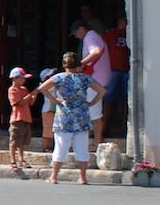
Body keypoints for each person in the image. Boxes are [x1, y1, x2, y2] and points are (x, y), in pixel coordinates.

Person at [36, 52, 107, 185]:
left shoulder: (58, 78)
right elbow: (102, 90)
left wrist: (56, 100)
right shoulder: (85, 78)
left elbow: (42, 88)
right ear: (78, 64)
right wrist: (91, 102)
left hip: (64, 117)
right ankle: (83, 177)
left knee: (61, 147)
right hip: (82, 117)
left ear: (64, 65)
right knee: (81, 148)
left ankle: (54, 176)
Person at [71, 20, 110, 142]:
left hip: (94, 80)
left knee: (94, 113)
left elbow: (96, 52)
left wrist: (80, 64)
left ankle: (97, 143)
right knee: (93, 111)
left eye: (75, 33)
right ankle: (94, 141)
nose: (76, 36)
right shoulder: (95, 36)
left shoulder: (90, 37)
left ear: (81, 28)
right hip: (98, 78)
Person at [102, 14, 130, 136]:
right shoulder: (110, 35)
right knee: (108, 99)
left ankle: (124, 128)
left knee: (127, 101)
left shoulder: (130, 33)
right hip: (113, 70)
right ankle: (104, 128)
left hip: (128, 70)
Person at [5, 67, 37, 170]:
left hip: (26, 118)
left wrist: (35, 94)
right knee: (14, 141)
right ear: (14, 78)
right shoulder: (12, 90)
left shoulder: (24, 89)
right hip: (17, 119)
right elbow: (19, 103)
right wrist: (31, 94)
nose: (24, 80)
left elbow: (30, 103)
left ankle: (21, 159)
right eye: (22, 78)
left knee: (22, 141)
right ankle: (13, 161)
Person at [38, 68, 57, 153]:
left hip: (53, 110)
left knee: (53, 129)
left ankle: (52, 147)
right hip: (48, 110)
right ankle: (46, 147)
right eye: (50, 76)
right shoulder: (47, 86)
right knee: (47, 130)